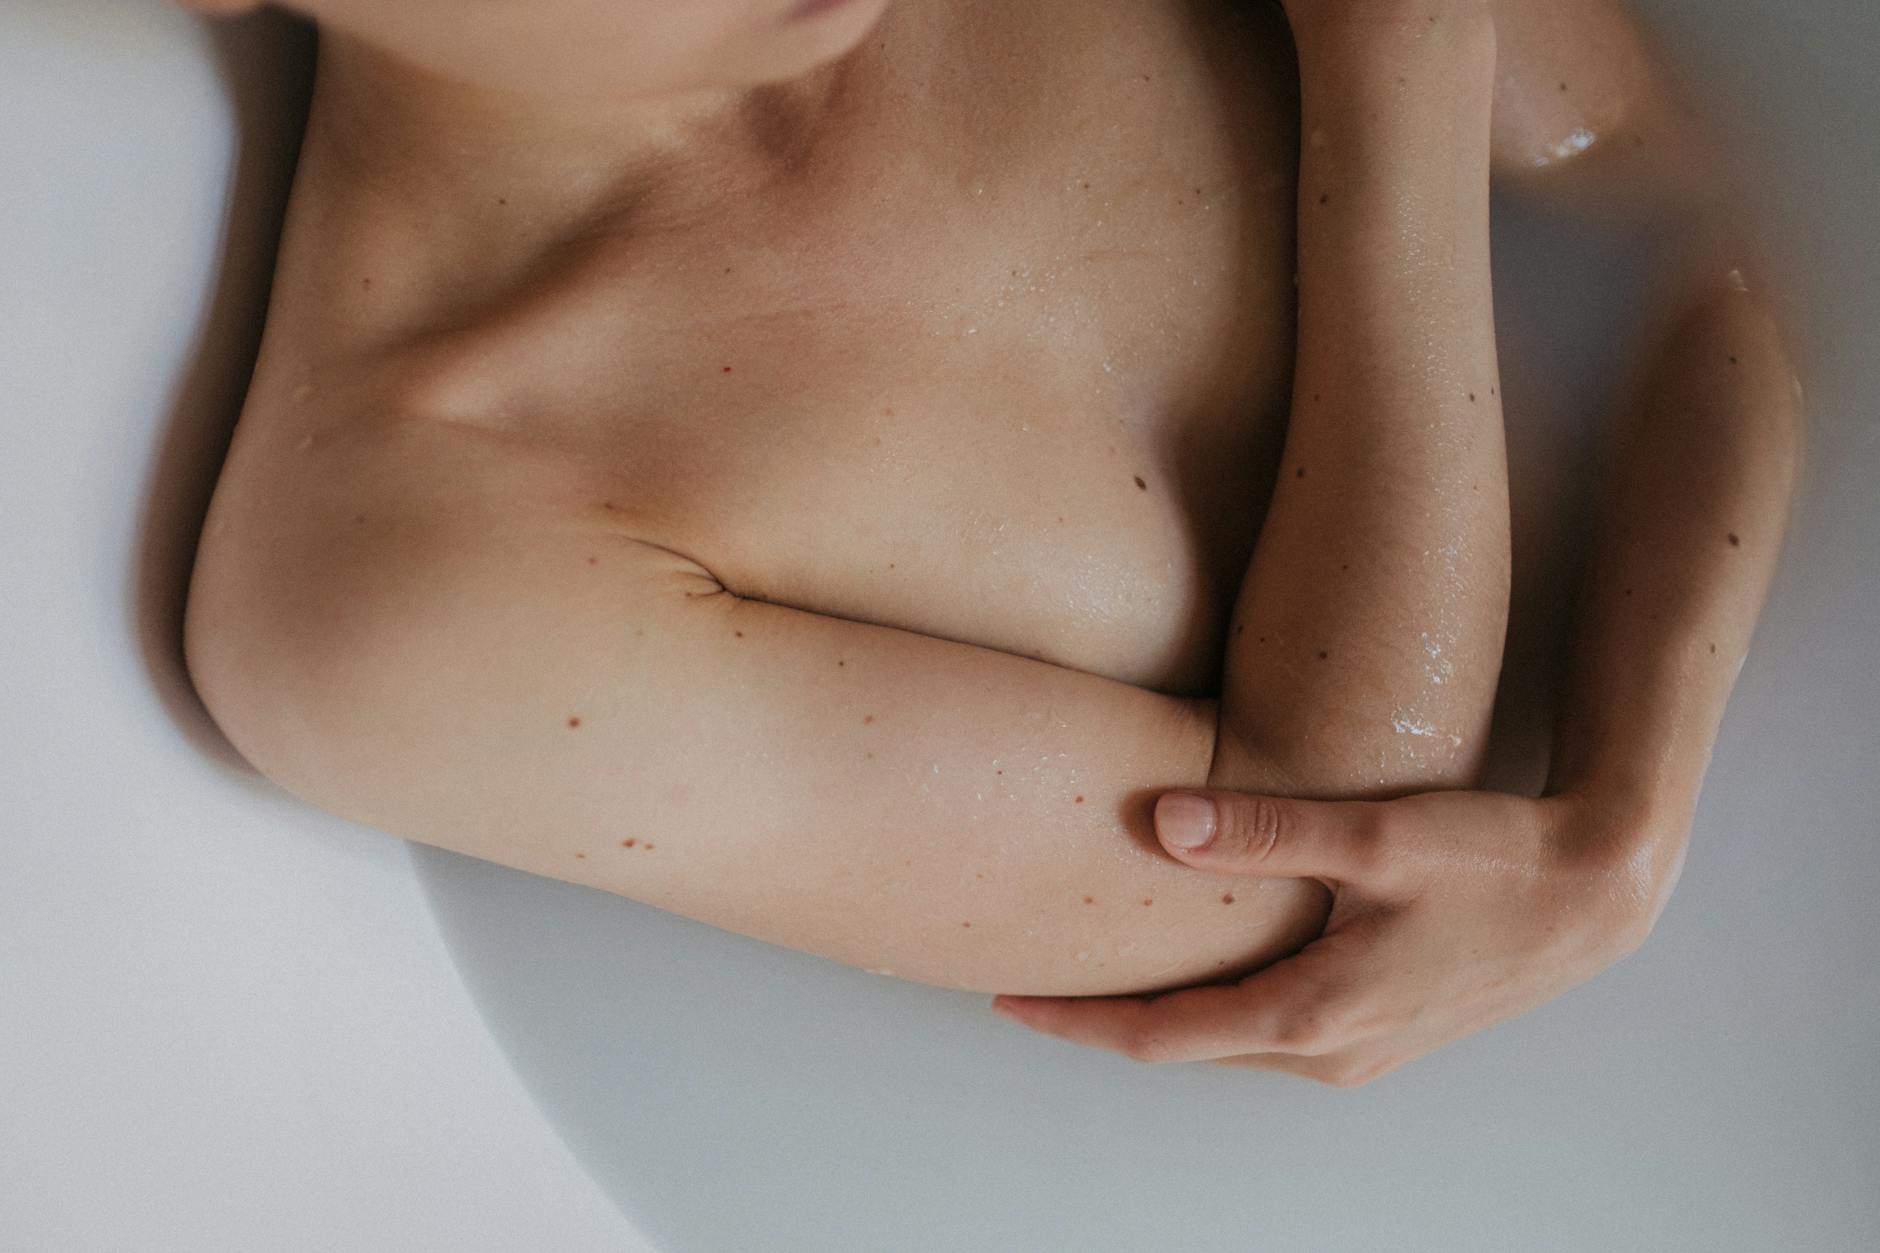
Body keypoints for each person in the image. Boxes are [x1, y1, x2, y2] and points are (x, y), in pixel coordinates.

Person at [179, 0, 1801, 1087]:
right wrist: (1389, 73)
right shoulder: (414, 566)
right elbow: (1317, 873)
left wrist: (1630, 806)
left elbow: (1704, 239)